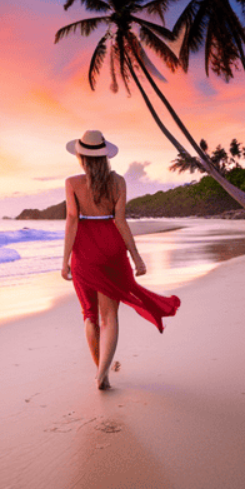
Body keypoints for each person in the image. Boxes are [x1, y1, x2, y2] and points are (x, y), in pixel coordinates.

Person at [61, 130, 180, 390]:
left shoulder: (72, 183)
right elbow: (120, 221)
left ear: (81, 156)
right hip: (112, 247)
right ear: (105, 156)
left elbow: (71, 220)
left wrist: (65, 260)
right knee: (109, 316)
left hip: (85, 249)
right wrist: (136, 257)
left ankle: (101, 372)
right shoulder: (119, 183)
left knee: (90, 315)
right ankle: (102, 372)